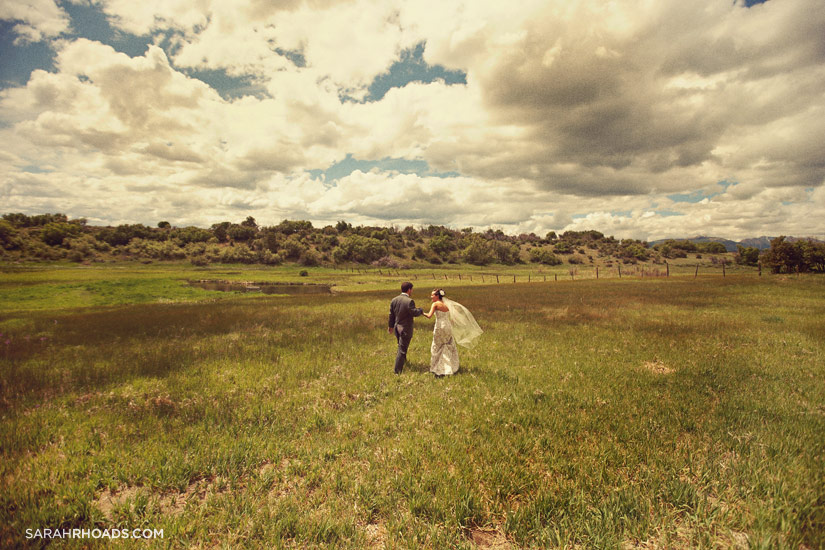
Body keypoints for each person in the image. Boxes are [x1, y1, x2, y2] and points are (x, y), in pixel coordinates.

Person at [422, 288, 483, 377]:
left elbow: (429, 316)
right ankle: (449, 366)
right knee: (447, 344)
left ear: (437, 296)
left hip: (439, 326)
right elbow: (451, 317)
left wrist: (421, 312)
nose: (431, 296)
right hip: (448, 326)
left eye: (432, 295)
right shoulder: (447, 304)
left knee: (437, 345)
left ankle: (439, 367)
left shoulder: (435, 304)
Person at [388, 282, 423, 374]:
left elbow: (391, 315)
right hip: (405, 329)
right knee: (402, 350)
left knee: (400, 346)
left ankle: (403, 362)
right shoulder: (409, 301)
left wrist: (390, 326)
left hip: (396, 327)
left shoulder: (394, 300)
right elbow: (414, 313)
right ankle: (397, 371)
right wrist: (420, 310)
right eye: (412, 289)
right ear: (409, 290)